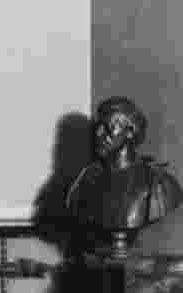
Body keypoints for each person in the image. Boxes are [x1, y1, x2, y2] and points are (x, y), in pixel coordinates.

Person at [66, 96, 183, 258]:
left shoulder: (158, 183)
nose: (99, 133)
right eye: (98, 126)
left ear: (129, 131)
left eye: (108, 127)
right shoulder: (86, 179)